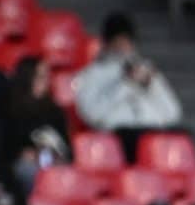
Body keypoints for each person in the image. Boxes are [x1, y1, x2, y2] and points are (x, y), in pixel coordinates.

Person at [71, 15, 183, 144]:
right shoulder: (93, 74)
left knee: (183, 138)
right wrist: (125, 84)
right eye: (118, 41)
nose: (123, 47)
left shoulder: (145, 69)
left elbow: (173, 113)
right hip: (118, 137)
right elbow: (92, 115)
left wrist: (152, 86)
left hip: (153, 132)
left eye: (127, 41)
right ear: (107, 44)